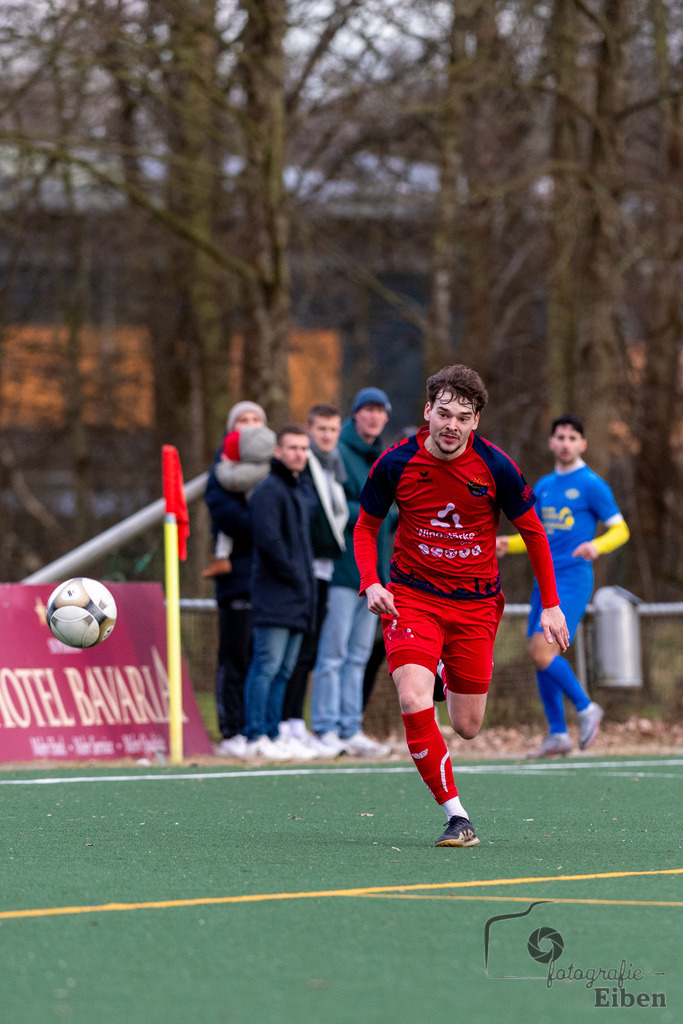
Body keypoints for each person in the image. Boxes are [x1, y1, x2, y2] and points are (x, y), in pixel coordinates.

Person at [353, 364, 569, 847]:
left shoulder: (496, 466)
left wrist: (551, 605)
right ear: (427, 411)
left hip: (475, 605)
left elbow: (535, 534)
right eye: (444, 413)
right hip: (412, 597)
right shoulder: (394, 462)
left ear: (476, 422)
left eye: (463, 417)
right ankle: (456, 815)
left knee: (467, 726)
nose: (452, 425)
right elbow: (365, 528)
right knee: (413, 697)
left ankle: (442, 671)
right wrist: (371, 583)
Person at [496, 414, 630, 758]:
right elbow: (536, 537)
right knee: (541, 657)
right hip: (544, 581)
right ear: (551, 443)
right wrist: (508, 544)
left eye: (572, 438)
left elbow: (621, 529)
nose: (566, 443)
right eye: (560, 437)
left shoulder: (592, 484)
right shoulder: (543, 485)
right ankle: (557, 734)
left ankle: (586, 708)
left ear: (582, 444)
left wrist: (597, 546)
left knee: (541, 652)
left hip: (572, 578)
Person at [310, 387, 396, 758]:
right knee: (333, 653)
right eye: (367, 410)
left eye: (380, 410)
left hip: (377, 575)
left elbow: (392, 507)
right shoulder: (338, 451)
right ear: (355, 414)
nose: (374, 417)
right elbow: (332, 503)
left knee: (359, 654)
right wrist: (378, 511)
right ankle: (325, 728)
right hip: (345, 570)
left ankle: (350, 727)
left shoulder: (385, 456)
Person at [242, 424, 317, 760]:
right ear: (278, 451)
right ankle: (255, 735)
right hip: (275, 596)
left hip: (299, 597)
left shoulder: (300, 490)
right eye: (292, 448)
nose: (299, 454)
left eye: (303, 448)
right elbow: (270, 542)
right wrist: (296, 577)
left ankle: (273, 733)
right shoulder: (268, 491)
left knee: (284, 670)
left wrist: (305, 585)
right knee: (267, 666)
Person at [204, 401, 275, 758]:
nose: (249, 425)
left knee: (265, 659)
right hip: (236, 577)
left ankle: (258, 728)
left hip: (271, 578)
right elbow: (229, 518)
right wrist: (267, 522)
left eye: (255, 419)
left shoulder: (278, 468)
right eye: (242, 420)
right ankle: (230, 729)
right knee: (235, 656)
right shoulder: (221, 471)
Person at [279, 404, 348, 755]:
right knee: (289, 653)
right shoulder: (304, 471)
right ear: (309, 430)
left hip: (324, 569)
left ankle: (294, 720)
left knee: (307, 650)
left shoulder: (333, 468)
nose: (327, 436)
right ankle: (281, 722)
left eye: (333, 429)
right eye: (321, 429)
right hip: (303, 569)